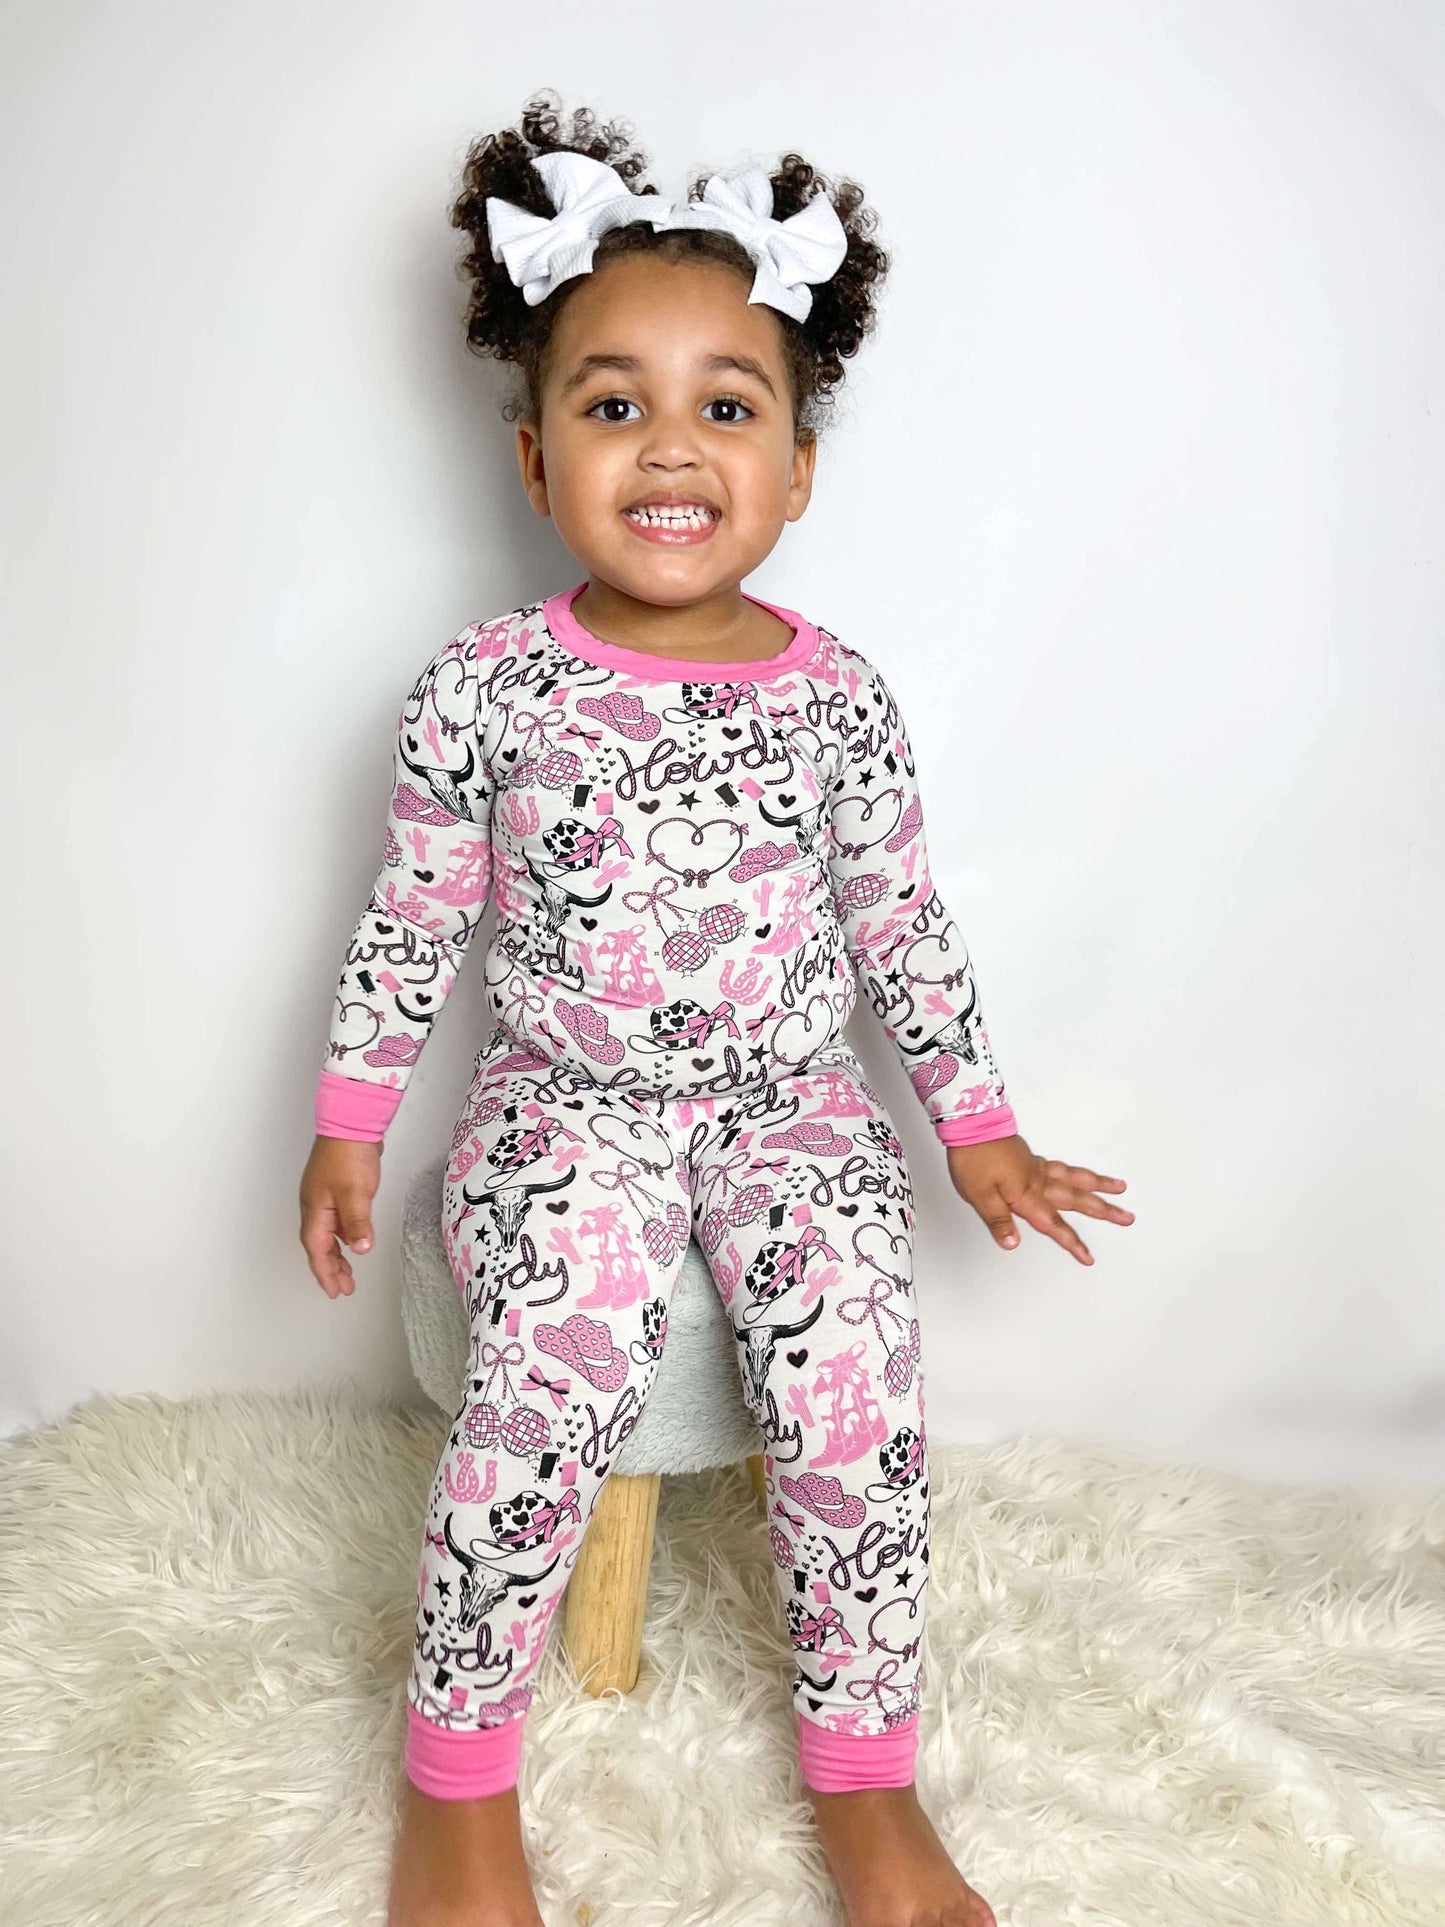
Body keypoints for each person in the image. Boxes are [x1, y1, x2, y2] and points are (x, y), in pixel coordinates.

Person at [298, 90, 1134, 1927]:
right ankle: (456, 1778)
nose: (670, 444)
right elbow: (412, 917)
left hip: (794, 1111)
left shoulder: (839, 700)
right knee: (549, 1366)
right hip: (563, 1108)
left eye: (726, 407)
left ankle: (867, 1781)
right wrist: (350, 1125)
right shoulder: (484, 689)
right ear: (534, 459)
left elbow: (898, 922)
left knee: (855, 1385)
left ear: (797, 467)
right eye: (614, 406)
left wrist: (978, 1130)